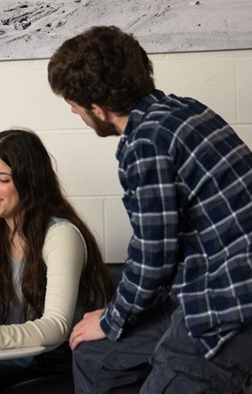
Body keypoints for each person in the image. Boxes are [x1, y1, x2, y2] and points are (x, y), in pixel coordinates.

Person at [47, 25, 252, 392]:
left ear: (99, 109)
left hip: (228, 300)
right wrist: (112, 322)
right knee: (97, 358)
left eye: (74, 106)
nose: (75, 112)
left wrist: (111, 320)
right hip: (202, 283)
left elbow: (153, 256)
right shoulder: (187, 110)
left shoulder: (144, 143)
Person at [0, 129, 114, 393]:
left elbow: (56, 326)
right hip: (15, 359)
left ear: (30, 182)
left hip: (64, 360)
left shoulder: (61, 235)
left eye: (2, 179)